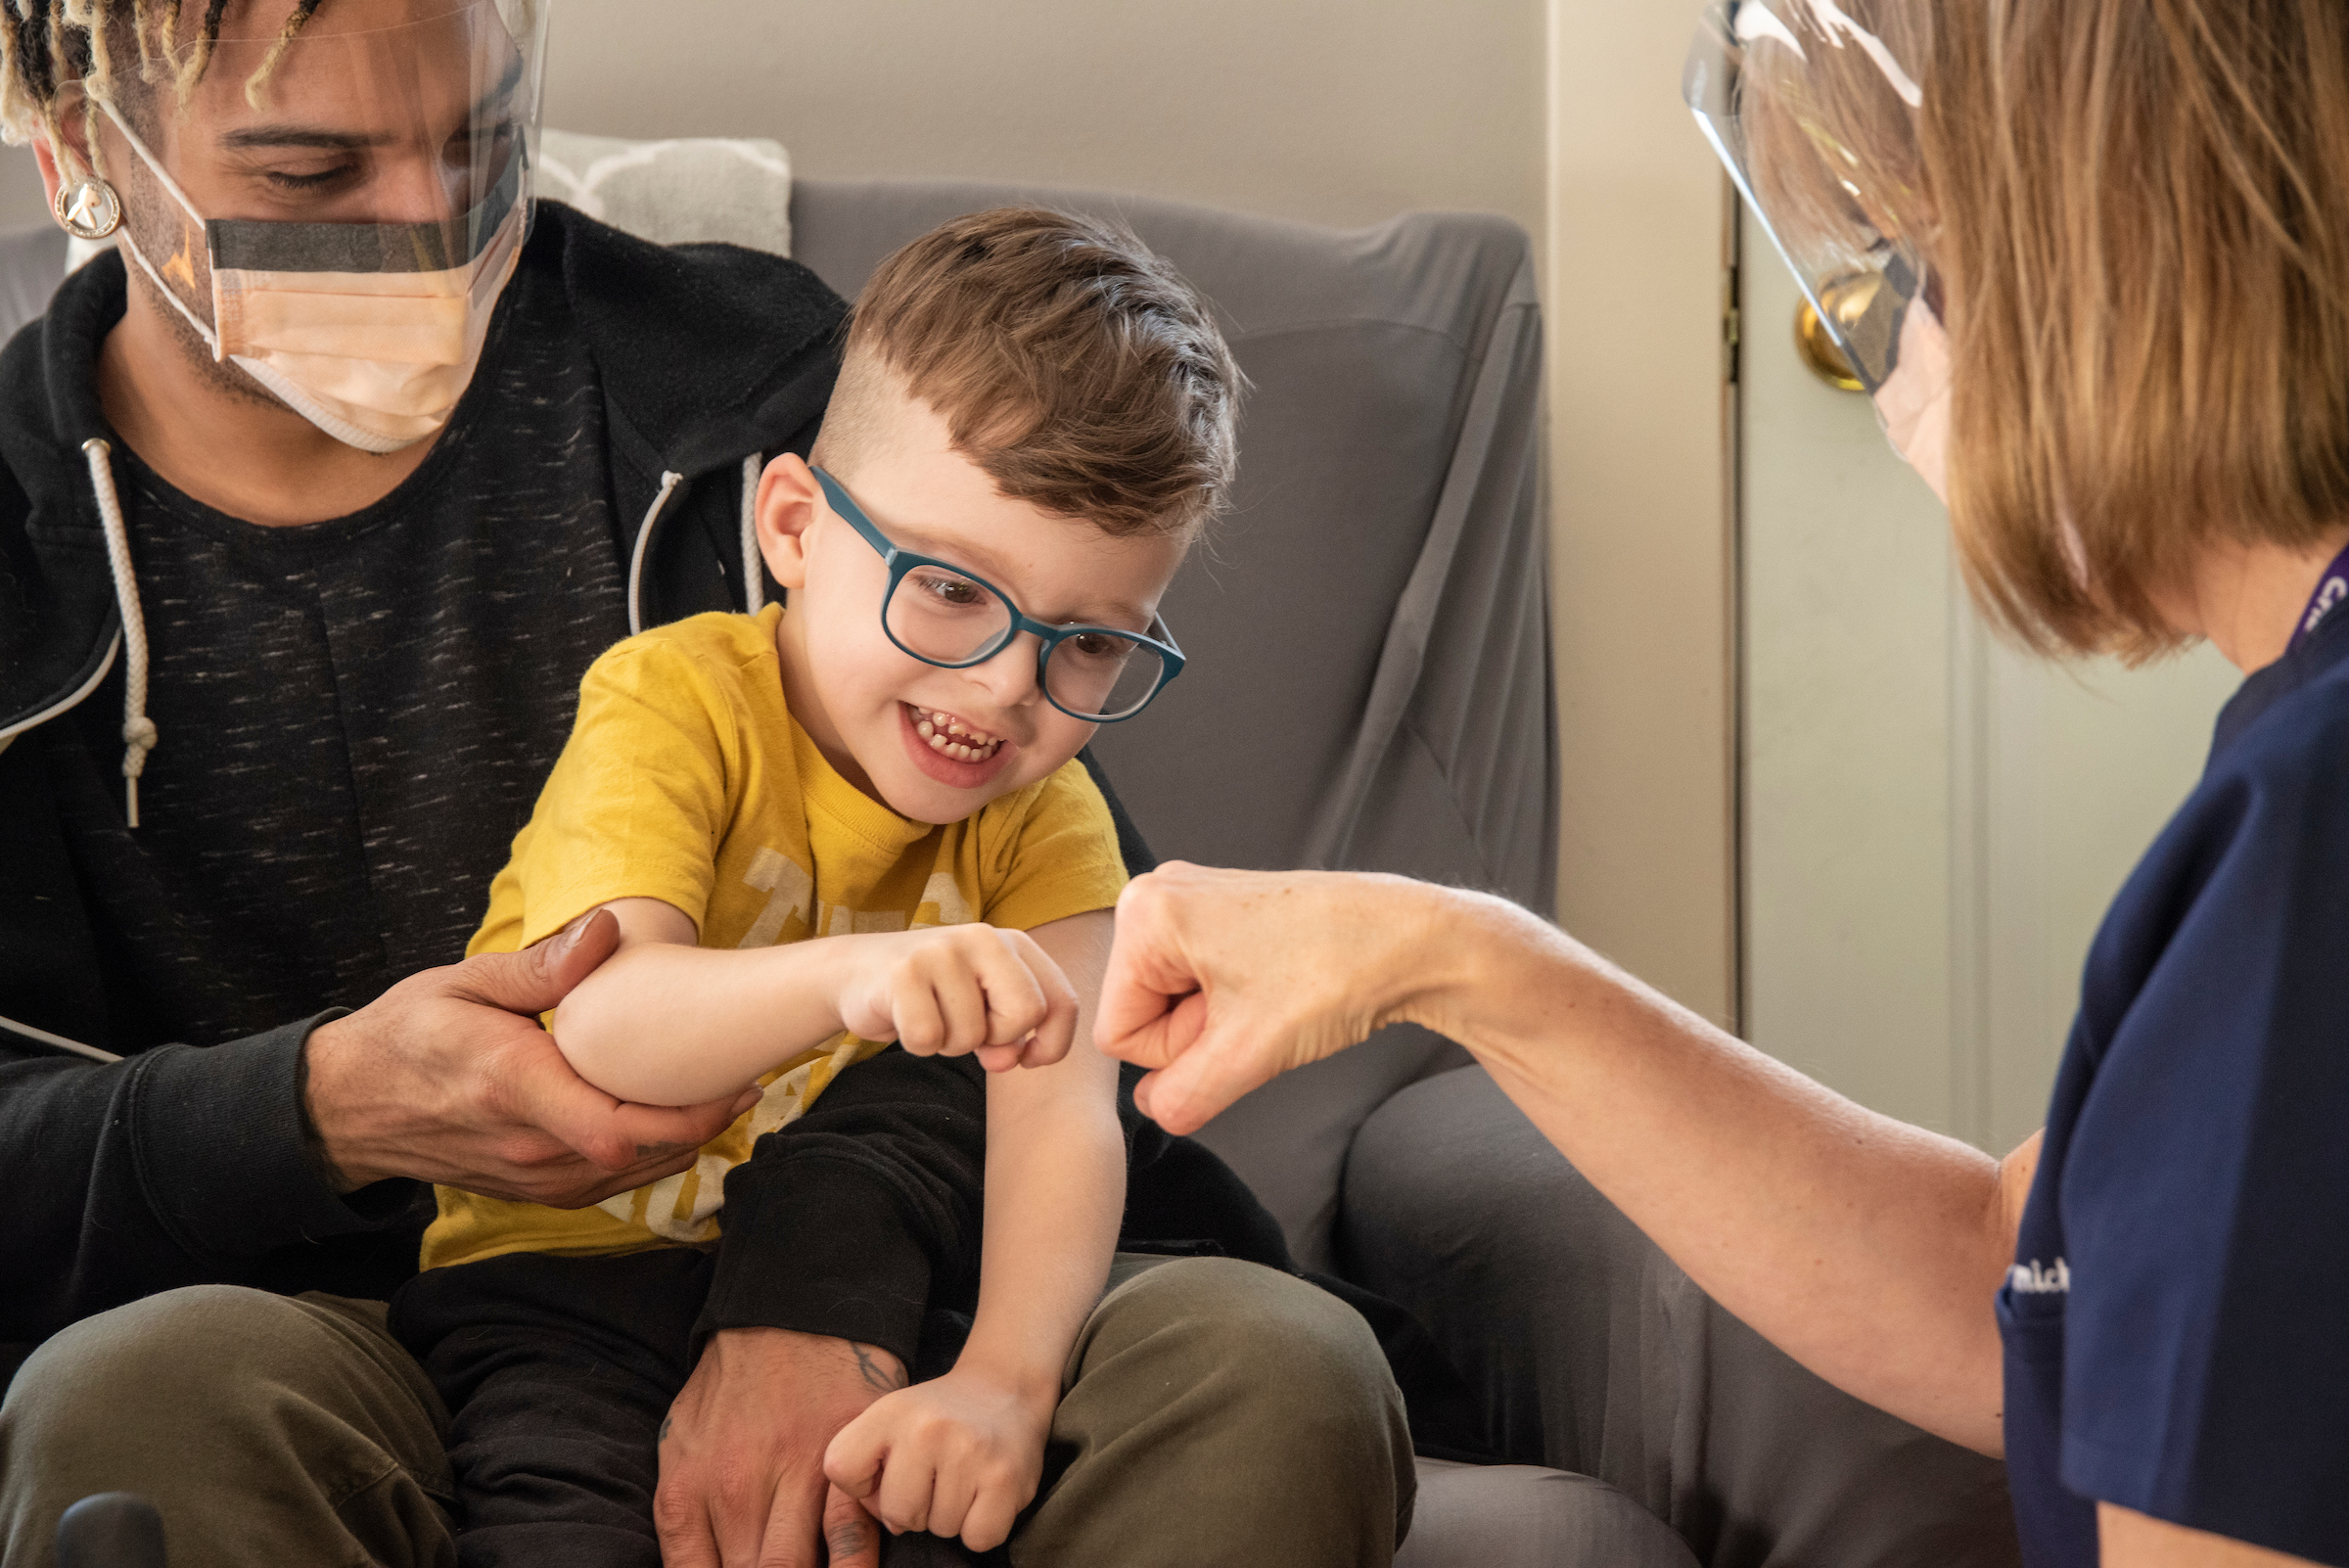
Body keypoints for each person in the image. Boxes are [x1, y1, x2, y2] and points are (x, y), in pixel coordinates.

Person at [0, 6, 1413, 1566]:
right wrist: (314, 1109)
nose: (426, 228)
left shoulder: (746, 393)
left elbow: (1056, 1010)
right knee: (140, 1397)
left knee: (1271, 1370)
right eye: (312, 167)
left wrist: (825, 1283)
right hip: (363, 1317)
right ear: (78, 146)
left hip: (910, 1277)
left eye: (480, 144)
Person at [1092, 0, 2349, 1563]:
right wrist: (1456, 955)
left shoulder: (2301, 854)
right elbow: (2005, 1279)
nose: (1903, 375)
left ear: (2113, 267)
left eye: (1919, 278)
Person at [387, 204, 1281, 1564]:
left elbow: (1062, 1130)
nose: (1003, 689)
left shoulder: (1050, 818)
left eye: (1088, 645)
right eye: (948, 589)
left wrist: (1004, 1383)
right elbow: (603, 1024)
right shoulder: (676, 699)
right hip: (563, 1280)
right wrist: (850, 978)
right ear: (796, 525)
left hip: (895, 1288)